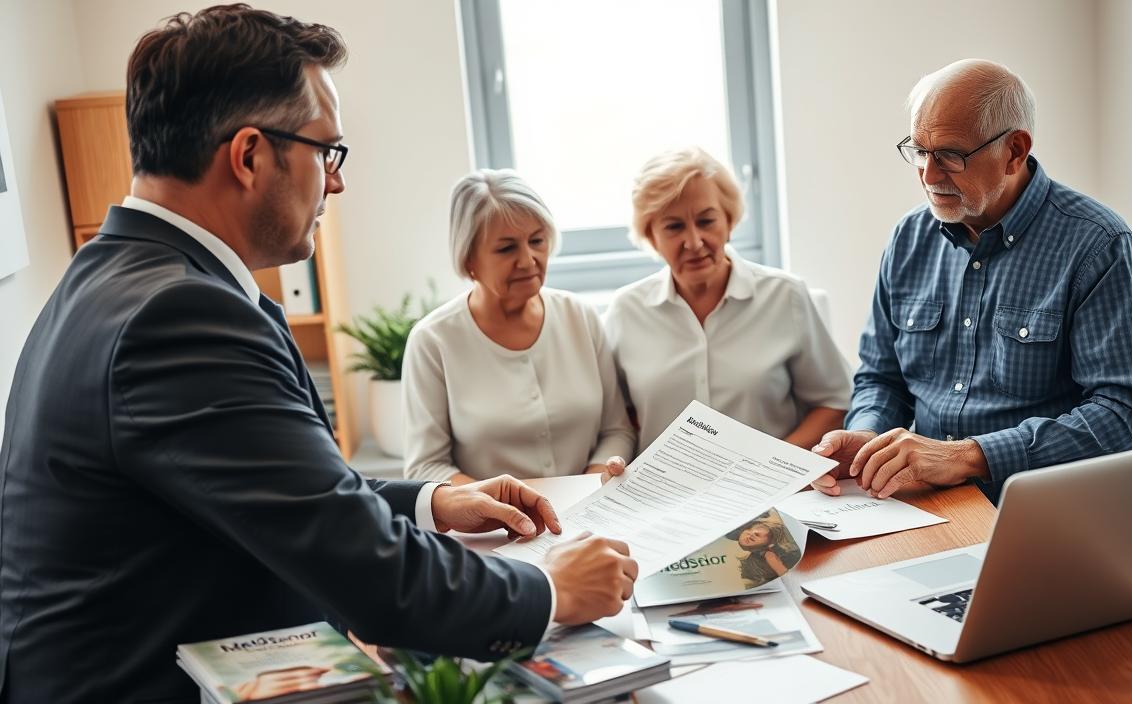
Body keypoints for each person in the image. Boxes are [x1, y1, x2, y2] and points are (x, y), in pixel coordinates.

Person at [0, 6, 636, 701]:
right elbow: (371, 576)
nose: (337, 183)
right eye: (326, 153)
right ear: (248, 156)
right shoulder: (180, 318)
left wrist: (434, 504)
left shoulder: (116, 278)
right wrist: (550, 588)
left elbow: (288, 490)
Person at [812, 59, 1132, 504]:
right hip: (926, 500)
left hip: (1042, 507)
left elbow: (1125, 418)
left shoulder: (1100, 247)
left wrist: (967, 456)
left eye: (951, 156)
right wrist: (867, 438)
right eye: (920, 151)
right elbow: (882, 376)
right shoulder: (908, 238)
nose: (929, 175)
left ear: (1014, 150)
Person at [604, 147, 851, 453]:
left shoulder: (785, 296)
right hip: (668, 493)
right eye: (674, 226)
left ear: (729, 221)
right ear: (651, 236)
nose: (694, 242)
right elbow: (616, 423)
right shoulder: (625, 312)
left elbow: (834, 402)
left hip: (770, 490)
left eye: (706, 221)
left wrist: (773, 464)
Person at [401, 170, 634, 484]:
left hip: (591, 515)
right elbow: (426, 466)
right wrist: (503, 507)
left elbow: (617, 430)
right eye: (506, 248)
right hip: (494, 528)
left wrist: (590, 485)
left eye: (537, 241)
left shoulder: (580, 316)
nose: (528, 260)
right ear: (468, 257)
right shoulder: (433, 341)